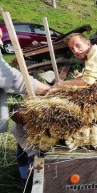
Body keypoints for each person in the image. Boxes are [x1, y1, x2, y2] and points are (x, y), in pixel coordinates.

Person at [0, 53, 50, 185]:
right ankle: (26, 179)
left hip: (25, 130)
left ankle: (25, 178)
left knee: (27, 152)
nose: (1, 41)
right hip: (26, 135)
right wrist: (49, 90)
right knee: (30, 154)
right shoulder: (21, 126)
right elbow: (13, 79)